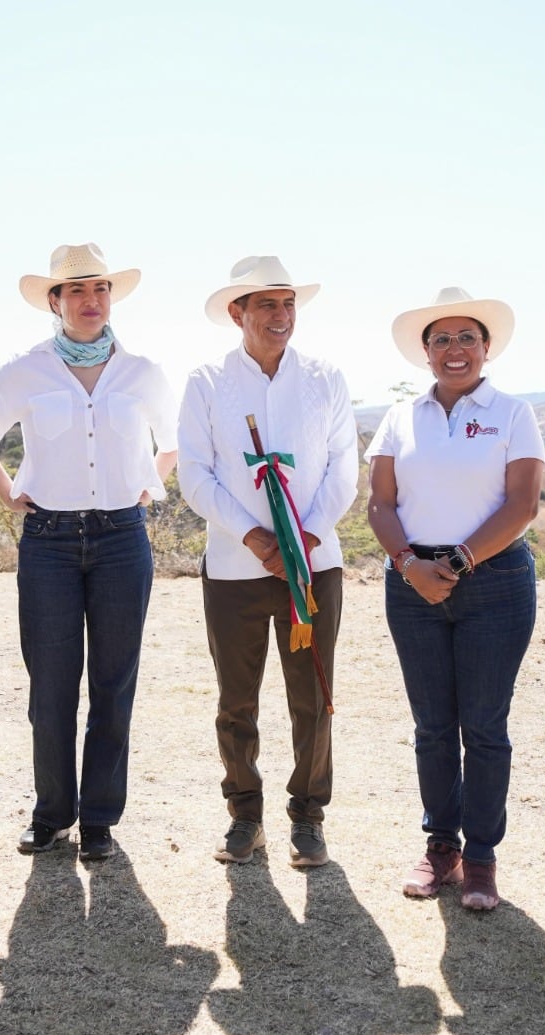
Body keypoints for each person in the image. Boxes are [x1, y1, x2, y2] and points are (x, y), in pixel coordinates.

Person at [0, 244, 177, 862]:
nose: (91, 301)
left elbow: (176, 440)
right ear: (54, 303)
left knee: (114, 684)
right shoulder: (26, 369)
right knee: (51, 686)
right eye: (77, 292)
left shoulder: (142, 372)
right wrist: (7, 491)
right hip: (49, 544)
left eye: (100, 289)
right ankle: (52, 814)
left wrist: (149, 483)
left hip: (122, 540)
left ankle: (100, 823)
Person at [366, 288, 545, 911]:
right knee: (433, 728)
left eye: (466, 337)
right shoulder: (399, 416)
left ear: (486, 346)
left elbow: (522, 506)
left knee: (485, 727)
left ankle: (481, 859)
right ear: (425, 352)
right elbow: (381, 505)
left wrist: (459, 561)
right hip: (412, 583)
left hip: (492, 582)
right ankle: (441, 847)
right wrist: (411, 564)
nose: (454, 349)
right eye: (440, 339)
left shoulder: (514, 413)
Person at [178, 256, 357, 869]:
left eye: (288, 305)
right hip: (234, 566)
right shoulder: (206, 382)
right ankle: (244, 814)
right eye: (266, 306)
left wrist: (302, 539)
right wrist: (257, 538)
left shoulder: (326, 378)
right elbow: (195, 474)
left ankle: (308, 817)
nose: (281, 317)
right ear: (238, 313)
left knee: (313, 696)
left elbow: (343, 469)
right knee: (237, 699)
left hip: (313, 563)